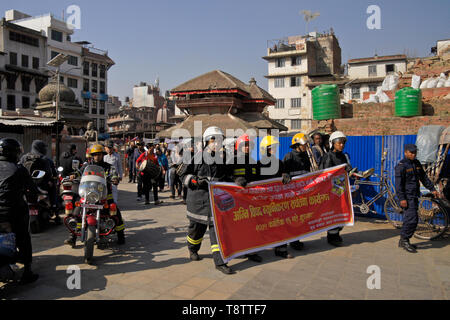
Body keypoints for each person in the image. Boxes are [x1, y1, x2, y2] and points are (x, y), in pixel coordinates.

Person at [180, 126, 234, 274]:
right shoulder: (196, 158)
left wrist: (237, 180)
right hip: (198, 202)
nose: (216, 144)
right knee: (196, 231)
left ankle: (220, 261)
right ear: (206, 141)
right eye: (213, 140)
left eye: (219, 141)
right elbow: (183, 176)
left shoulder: (223, 160)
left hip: (214, 203)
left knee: (216, 232)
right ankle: (192, 249)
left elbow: (228, 178)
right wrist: (195, 181)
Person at [64, 144, 125, 248]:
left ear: (103, 154)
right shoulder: (87, 165)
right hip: (88, 194)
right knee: (76, 210)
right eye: (95, 154)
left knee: (115, 211)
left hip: (104, 195)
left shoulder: (108, 166)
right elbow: (79, 172)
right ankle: (72, 237)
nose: (97, 156)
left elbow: (114, 173)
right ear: (92, 155)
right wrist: (74, 175)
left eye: (99, 154)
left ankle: (121, 234)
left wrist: (115, 178)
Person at [0, 138, 39, 284]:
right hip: (12, 211)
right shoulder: (18, 169)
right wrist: (32, 196)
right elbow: (32, 190)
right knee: (23, 237)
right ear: (13, 152)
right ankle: (27, 271)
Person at [395, 144, 439, 253]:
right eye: (411, 152)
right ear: (406, 152)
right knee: (412, 220)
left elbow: (424, 178)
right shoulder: (401, 166)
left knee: (410, 219)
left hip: (414, 195)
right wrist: (402, 199)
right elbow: (398, 185)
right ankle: (405, 240)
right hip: (407, 197)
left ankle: (403, 240)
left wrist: (432, 189)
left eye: (415, 152)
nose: (414, 154)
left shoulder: (417, 163)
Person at [226, 133, 263, 264]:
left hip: (251, 201)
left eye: (249, 145)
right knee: (238, 227)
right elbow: (224, 179)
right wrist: (235, 180)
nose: (247, 148)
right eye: (245, 145)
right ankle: (238, 250)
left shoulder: (254, 162)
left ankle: (252, 251)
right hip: (236, 201)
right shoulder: (232, 161)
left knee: (252, 226)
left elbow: (261, 179)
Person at [258, 135, 293, 259]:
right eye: (272, 148)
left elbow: (283, 174)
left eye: (275, 147)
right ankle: (255, 250)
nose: (274, 150)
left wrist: (286, 176)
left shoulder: (279, 162)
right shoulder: (259, 164)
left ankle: (281, 249)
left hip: (278, 200)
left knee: (281, 223)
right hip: (264, 201)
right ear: (265, 149)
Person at [319, 131, 353, 247]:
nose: (342, 145)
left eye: (343, 143)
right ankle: (332, 236)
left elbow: (344, 171)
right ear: (333, 143)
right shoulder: (328, 156)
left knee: (342, 212)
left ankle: (337, 233)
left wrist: (348, 168)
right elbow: (325, 174)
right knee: (333, 212)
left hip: (341, 189)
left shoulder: (343, 156)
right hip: (331, 191)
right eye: (339, 143)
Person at [282, 133, 312, 251]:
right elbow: (283, 173)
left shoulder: (306, 157)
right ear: (297, 145)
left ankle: (297, 239)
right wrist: (285, 175)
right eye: (304, 145)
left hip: (303, 193)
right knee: (293, 218)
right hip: (292, 194)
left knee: (301, 218)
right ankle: (293, 240)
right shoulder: (289, 157)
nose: (306, 147)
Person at [19, 140, 59, 223]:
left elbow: (19, 170)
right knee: (54, 188)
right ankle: (54, 208)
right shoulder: (46, 159)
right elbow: (51, 174)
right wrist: (50, 181)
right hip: (42, 186)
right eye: (44, 147)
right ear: (40, 148)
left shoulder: (24, 158)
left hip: (27, 187)